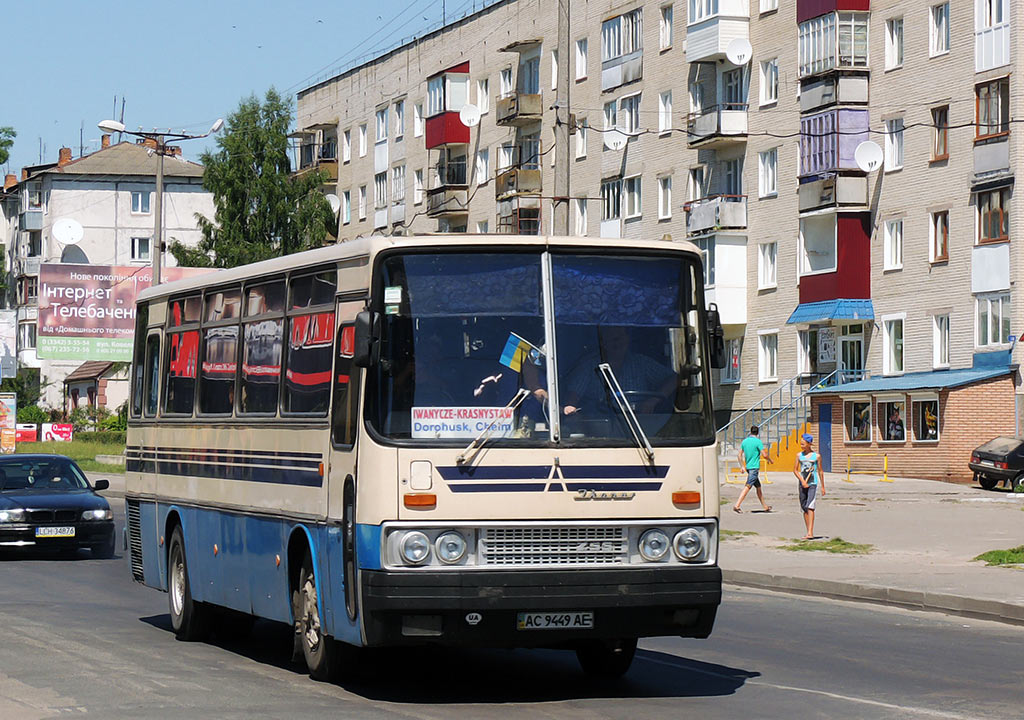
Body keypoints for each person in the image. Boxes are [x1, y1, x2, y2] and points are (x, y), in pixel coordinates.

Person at [561, 326, 676, 416]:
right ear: (603, 343)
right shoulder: (588, 365)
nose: (617, 343)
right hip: (600, 426)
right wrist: (571, 409)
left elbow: (674, 379)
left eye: (620, 338)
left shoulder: (641, 362)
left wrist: (653, 401)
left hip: (641, 424)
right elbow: (572, 399)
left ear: (627, 339)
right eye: (612, 340)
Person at [733, 425, 771, 513]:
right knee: (748, 486)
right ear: (757, 433)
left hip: (748, 468)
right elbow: (764, 455)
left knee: (758, 487)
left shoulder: (745, 441)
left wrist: (742, 466)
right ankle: (737, 505)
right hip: (754, 468)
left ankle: (765, 506)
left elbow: (739, 455)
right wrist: (770, 460)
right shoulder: (758, 442)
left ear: (750, 432)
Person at [794, 433, 825, 539]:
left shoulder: (816, 456)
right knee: (804, 507)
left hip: (812, 483)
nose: (801, 445)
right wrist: (802, 480)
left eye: (803, 443)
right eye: (801, 443)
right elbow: (795, 470)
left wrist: (823, 486)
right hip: (802, 483)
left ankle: (810, 532)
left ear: (809, 444)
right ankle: (808, 531)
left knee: (810, 506)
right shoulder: (799, 455)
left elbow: (820, 471)